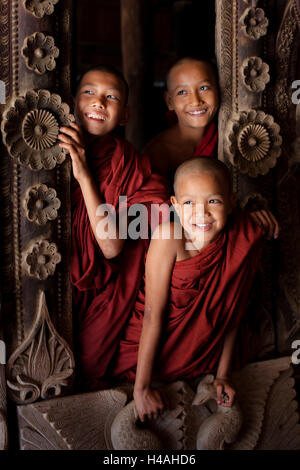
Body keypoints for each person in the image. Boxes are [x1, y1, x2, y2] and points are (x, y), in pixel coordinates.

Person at [111, 157, 265, 421]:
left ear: (230, 201)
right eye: (189, 203)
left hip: (201, 359)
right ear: (175, 206)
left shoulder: (242, 239)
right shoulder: (169, 237)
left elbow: (232, 314)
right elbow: (152, 314)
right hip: (146, 354)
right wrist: (142, 388)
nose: (201, 213)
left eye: (213, 201)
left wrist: (223, 375)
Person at [58, 65, 169, 391]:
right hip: (54, 273)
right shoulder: (48, 150)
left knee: (86, 366)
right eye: (89, 92)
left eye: (111, 97)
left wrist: (83, 175)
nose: (99, 102)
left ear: (125, 115)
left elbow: (111, 246)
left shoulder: (133, 167)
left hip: (105, 288)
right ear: (73, 102)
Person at [144, 57, 279, 239]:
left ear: (219, 89)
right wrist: (240, 221)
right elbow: (157, 216)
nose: (196, 100)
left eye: (203, 88)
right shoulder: (159, 152)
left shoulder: (229, 134)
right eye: (183, 92)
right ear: (169, 101)